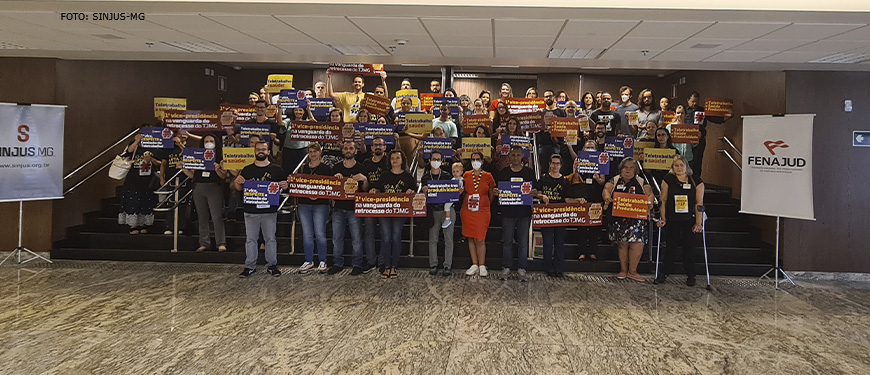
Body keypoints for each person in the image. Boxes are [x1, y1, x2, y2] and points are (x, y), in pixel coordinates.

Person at [233, 141, 288, 278]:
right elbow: (239, 189)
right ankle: (250, 266)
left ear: (269, 152)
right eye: (258, 149)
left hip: (269, 211)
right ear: (254, 151)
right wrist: (237, 182)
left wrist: (286, 185)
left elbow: (284, 189)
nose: (261, 151)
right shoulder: (247, 169)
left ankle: (272, 265)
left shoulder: (277, 170)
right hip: (250, 211)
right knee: (251, 240)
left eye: (263, 149)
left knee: (270, 239)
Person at [603, 158, 655, 282]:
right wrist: (607, 197)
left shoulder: (641, 181)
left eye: (631, 167)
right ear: (621, 168)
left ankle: (633, 271)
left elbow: (650, 194)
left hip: (637, 220)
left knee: (637, 245)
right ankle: (623, 270)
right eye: (625, 167)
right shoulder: (615, 180)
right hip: (620, 219)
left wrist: (650, 202)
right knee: (622, 244)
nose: (628, 170)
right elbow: (606, 190)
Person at [656, 154, 704, 286]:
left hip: (689, 218)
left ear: (686, 166)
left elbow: (699, 203)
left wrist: (698, 223)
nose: (679, 168)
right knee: (670, 246)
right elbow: (663, 199)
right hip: (672, 218)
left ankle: (691, 275)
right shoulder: (668, 179)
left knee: (689, 248)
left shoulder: (696, 181)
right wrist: (663, 218)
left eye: (681, 165)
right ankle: (664, 273)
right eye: (676, 165)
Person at [369, 150, 417, 279]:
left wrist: (411, 191)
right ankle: (386, 266)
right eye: (392, 158)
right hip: (384, 211)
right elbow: (378, 188)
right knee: (385, 238)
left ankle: (394, 266)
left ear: (402, 160)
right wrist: (375, 190)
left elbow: (414, 190)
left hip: (400, 212)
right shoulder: (384, 175)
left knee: (396, 237)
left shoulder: (407, 176)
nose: (395, 160)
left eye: (397, 158)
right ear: (389, 161)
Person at [536, 155, 586, 277]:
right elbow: (536, 192)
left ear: (561, 165)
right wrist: (542, 196)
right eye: (553, 163)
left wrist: (578, 200)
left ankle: (559, 268)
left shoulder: (565, 181)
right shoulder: (543, 178)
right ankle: (548, 268)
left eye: (557, 163)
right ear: (549, 164)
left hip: (560, 216)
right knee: (547, 243)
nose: (555, 166)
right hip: (546, 215)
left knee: (559, 242)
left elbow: (567, 199)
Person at [494, 146, 536, 282]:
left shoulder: (529, 173)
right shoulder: (504, 172)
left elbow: (534, 190)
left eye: (518, 155)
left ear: (522, 156)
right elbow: (499, 190)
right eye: (513, 155)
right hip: (508, 212)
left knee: (523, 241)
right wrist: (497, 192)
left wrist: (534, 193)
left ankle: (522, 268)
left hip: (524, 212)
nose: (516, 158)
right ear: (510, 157)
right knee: (507, 241)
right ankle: (506, 267)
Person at [329, 140, 369, 275]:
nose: (348, 150)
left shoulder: (361, 168)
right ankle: (337, 263)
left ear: (355, 151)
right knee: (337, 238)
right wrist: (335, 180)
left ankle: (357, 265)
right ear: (342, 151)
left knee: (356, 238)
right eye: (346, 148)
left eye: (351, 148)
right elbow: (331, 190)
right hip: (338, 208)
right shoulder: (336, 168)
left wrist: (365, 180)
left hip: (354, 208)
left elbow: (365, 190)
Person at [183, 134, 228, 253]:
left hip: (214, 187)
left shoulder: (220, 157)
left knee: (216, 216)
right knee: (202, 217)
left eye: (211, 141)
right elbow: (193, 176)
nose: (209, 143)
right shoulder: (197, 156)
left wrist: (218, 168)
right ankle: (204, 242)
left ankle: (221, 243)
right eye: (206, 141)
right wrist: (184, 169)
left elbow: (223, 176)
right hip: (199, 187)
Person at [296, 143, 333, 273]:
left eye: (315, 151)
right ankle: (308, 260)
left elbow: (331, 187)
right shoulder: (303, 168)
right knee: (307, 234)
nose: (313, 154)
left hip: (321, 205)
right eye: (310, 151)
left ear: (320, 153)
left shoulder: (327, 169)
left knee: (320, 233)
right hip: (304, 204)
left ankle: (323, 261)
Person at [567, 141, 606, 261]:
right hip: (581, 194)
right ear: (583, 148)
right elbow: (574, 179)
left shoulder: (601, 160)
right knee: (581, 224)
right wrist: (576, 170)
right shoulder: (578, 160)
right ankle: (582, 251)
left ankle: (593, 251)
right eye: (588, 147)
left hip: (595, 193)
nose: (590, 149)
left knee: (595, 225)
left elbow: (602, 181)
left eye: (592, 147)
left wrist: (598, 178)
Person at [462, 152, 497, 277]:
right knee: (470, 237)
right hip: (468, 210)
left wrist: (487, 202)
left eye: (478, 159)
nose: (475, 161)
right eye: (473, 159)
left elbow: (492, 191)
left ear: (482, 161)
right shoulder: (466, 175)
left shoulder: (488, 176)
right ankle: (474, 264)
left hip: (482, 210)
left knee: (480, 238)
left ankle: (482, 265)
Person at [119, 134, 161, 235]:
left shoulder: (156, 146)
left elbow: (160, 163)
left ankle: (143, 224)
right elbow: (128, 151)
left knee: (146, 200)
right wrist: (136, 141)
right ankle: (132, 225)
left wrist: (151, 159)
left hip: (148, 179)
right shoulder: (135, 145)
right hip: (133, 178)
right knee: (132, 200)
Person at [421, 151, 455, 276]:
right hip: (433, 210)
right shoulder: (425, 177)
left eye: (438, 159)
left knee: (448, 239)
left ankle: (447, 265)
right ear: (429, 161)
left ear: (442, 161)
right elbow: (423, 197)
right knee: (433, 239)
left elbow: (452, 193)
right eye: (434, 159)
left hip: (447, 210)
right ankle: (433, 264)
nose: (436, 161)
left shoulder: (447, 175)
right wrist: (424, 191)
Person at [362, 136, 390, 271]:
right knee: (369, 232)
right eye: (375, 145)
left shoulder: (389, 162)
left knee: (385, 232)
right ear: (371, 148)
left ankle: (383, 260)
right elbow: (363, 185)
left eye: (380, 144)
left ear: (385, 147)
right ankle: (370, 261)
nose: (378, 147)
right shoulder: (366, 162)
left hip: (384, 201)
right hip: (369, 202)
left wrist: (379, 189)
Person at [159, 133, 192, 235]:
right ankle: (169, 226)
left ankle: (180, 226)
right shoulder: (169, 148)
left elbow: (190, 157)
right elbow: (163, 163)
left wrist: (180, 145)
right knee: (171, 202)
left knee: (182, 204)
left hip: (184, 179)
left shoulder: (189, 147)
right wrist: (162, 178)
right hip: (171, 178)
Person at [280, 106, 313, 173]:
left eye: (300, 110)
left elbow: (314, 123)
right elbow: (280, 123)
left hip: (303, 150)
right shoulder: (288, 121)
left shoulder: (306, 122)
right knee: (287, 170)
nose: (298, 112)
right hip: (288, 150)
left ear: (304, 112)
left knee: (302, 169)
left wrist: (309, 110)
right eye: (296, 110)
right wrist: (279, 109)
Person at [684, 91, 707, 178]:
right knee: (687, 162)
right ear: (688, 100)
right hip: (687, 142)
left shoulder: (703, 111)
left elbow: (713, 119)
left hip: (699, 141)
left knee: (697, 162)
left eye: (696, 101)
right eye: (693, 101)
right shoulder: (685, 112)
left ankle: (696, 182)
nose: (695, 103)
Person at [442, 161, 464, 228]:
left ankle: (448, 219)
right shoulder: (452, 179)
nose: (455, 173)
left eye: (457, 171)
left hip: (454, 196)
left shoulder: (461, 180)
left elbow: (461, 188)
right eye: (453, 171)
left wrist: (459, 191)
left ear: (461, 172)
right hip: (451, 194)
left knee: (447, 206)